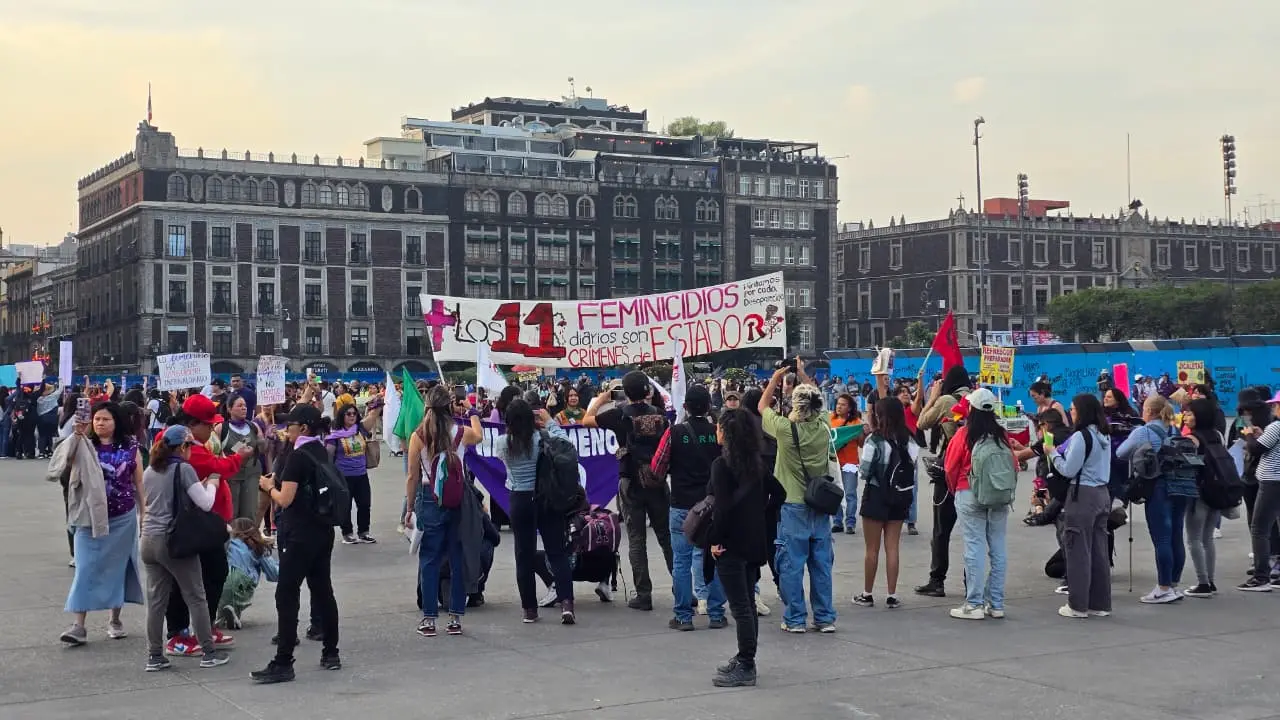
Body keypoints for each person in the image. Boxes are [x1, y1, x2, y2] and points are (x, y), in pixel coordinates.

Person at [252, 404, 342, 684]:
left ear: (302, 428)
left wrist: (269, 488)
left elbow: (285, 499)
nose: (284, 429)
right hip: (322, 530)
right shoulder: (321, 451)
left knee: (287, 593)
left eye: (289, 424)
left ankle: (283, 661)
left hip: (299, 533)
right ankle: (331, 652)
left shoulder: (298, 456)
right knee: (322, 589)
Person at [163, 395, 252, 658]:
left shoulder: (191, 442)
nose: (212, 428)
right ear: (192, 424)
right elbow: (215, 467)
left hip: (205, 524)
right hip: (190, 525)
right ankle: (178, 633)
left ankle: (204, 626)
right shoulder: (183, 447)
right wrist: (238, 458)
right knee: (187, 580)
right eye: (207, 424)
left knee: (211, 574)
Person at [53, 400, 145, 645]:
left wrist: (144, 512)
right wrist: (77, 434)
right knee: (84, 568)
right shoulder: (84, 443)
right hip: (89, 518)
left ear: (116, 422)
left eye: (106, 419)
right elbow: (62, 460)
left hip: (123, 517)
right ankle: (78, 625)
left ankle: (115, 620)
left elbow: (139, 483)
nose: (100, 423)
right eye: (97, 419)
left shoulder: (132, 446)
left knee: (119, 568)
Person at [139, 425, 230, 670]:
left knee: (157, 600)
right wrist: (212, 482)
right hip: (173, 541)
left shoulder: (150, 469)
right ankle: (209, 652)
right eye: (190, 446)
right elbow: (207, 503)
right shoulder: (183, 468)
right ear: (182, 446)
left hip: (148, 539)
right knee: (196, 596)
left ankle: (155, 655)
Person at [758, 358, 836, 633]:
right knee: (821, 563)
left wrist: (775, 378)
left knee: (791, 564)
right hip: (820, 503)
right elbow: (817, 397)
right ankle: (825, 617)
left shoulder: (784, 429)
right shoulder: (824, 425)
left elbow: (762, 406)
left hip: (792, 503)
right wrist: (802, 374)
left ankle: (795, 618)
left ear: (795, 405)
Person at [584, 372, 673, 612]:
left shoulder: (619, 415)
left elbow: (587, 420)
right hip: (657, 479)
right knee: (667, 537)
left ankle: (643, 594)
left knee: (636, 539)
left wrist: (602, 398)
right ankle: (683, 589)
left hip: (630, 479)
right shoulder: (660, 416)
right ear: (648, 391)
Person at [708, 408, 782, 688]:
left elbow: (722, 509)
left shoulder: (721, 466)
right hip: (753, 543)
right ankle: (744, 657)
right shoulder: (757, 464)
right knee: (747, 604)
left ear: (726, 433)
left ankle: (747, 664)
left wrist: (715, 540)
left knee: (740, 607)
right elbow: (780, 493)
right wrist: (761, 515)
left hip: (731, 546)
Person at [652, 385, 727, 631]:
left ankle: (683, 616)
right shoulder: (717, 433)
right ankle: (716, 614)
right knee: (715, 556)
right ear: (708, 407)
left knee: (681, 562)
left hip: (682, 506)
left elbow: (657, 467)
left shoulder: (674, 433)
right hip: (713, 505)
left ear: (685, 407)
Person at [944, 388, 1016, 620]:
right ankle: (995, 603)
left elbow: (950, 467)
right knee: (998, 548)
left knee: (974, 547)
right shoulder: (1001, 435)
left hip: (969, 493)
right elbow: (1013, 465)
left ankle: (973, 603)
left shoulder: (964, 434)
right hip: (998, 495)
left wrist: (955, 489)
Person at [1116, 394, 1189, 603]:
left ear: (1148, 411)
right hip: (1179, 485)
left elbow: (1122, 453)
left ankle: (1163, 587)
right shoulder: (1174, 429)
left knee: (1162, 538)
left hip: (1158, 487)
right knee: (1176, 535)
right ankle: (1173, 584)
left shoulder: (1143, 431)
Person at [1049, 394, 1113, 619]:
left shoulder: (1080, 437)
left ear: (1082, 412)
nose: (1071, 412)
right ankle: (1100, 602)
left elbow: (1068, 469)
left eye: (1073, 409)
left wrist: (1053, 454)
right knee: (1098, 550)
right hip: (1102, 492)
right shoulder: (1103, 434)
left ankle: (1078, 604)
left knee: (1077, 549)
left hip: (1082, 493)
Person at [852, 397, 915, 610]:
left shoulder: (875, 441)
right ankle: (892, 594)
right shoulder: (909, 439)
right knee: (893, 546)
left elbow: (865, 472)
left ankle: (867, 593)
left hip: (876, 495)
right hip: (899, 496)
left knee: (871, 549)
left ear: (879, 416)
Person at [915, 364, 972, 598]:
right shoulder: (978, 399)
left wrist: (934, 397)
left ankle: (936, 580)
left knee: (941, 530)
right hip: (973, 473)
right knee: (974, 532)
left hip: (950, 471)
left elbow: (921, 422)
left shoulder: (947, 401)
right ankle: (973, 582)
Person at [1180, 399, 1224, 598]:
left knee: (1194, 539)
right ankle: (1211, 580)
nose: (1185, 417)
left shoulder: (1193, 439)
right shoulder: (1217, 435)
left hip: (1198, 492)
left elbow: (1186, 464)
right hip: (1217, 490)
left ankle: (1202, 582)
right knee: (1207, 538)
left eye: (1189, 414)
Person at [1238, 390, 1280, 591]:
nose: (1273, 407)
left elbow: (1256, 449)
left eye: (1276, 405)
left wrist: (1249, 436)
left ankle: (1261, 576)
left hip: (1271, 480)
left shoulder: (1276, 426)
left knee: (1259, 528)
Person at [327, 401, 380, 545]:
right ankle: (347, 533)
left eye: (354, 413)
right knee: (345, 506)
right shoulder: (335, 435)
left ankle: (364, 532)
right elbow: (328, 456)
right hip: (343, 476)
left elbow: (373, 415)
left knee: (364, 504)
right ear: (341, 416)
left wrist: (379, 403)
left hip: (361, 475)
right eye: (348, 414)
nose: (352, 416)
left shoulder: (360, 429)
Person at [218, 518, 280, 629]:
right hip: (242, 581)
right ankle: (233, 612)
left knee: (224, 596)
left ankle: (221, 616)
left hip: (221, 582)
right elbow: (274, 574)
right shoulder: (257, 547)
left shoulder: (227, 543)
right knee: (237, 591)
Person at [215, 393, 267, 523]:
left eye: (245, 405)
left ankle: (248, 541)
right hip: (231, 476)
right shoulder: (222, 428)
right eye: (239, 405)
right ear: (229, 409)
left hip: (251, 474)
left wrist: (268, 437)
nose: (244, 408)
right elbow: (215, 453)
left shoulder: (253, 427)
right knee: (231, 513)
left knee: (249, 513)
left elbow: (263, 449)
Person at [829, 394, 863, 535]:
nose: (839, 406)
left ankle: (850, 523)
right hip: (833, 463)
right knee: (835, 493)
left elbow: (861, 444)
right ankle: (837, 522)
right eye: (838, 404)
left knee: (850, 494)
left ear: (849, 408)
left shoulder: (856, 423)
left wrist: (860, 433)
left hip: (850, 463)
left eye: (843, 404)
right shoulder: (830, 420)